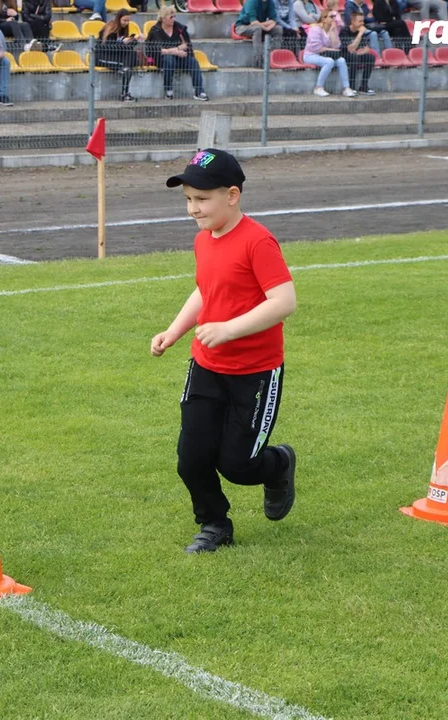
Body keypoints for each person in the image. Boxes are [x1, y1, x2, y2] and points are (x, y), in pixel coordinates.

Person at [152, 148, 298, 554]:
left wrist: (230, 329)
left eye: (201, 199)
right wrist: (176, 330)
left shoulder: (258, 241)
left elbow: (284, 301)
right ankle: (214, 523)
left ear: (232, 195)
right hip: (206, 366)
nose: (192, 210)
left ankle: (279, 463)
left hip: (255, 372)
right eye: (187, 200)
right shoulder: (204, 241)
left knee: (237, 465)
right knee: (191, 457)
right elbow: (206, 290)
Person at [145, 5, 208, 101]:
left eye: (174, 16)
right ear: (163, 18)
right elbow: (155, 50)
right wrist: (176, 50)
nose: (173, 19)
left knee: (193, 62)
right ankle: (168, 90)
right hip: (162, 60)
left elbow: (186, 45)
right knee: (169, 59)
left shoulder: (179, 28)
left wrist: (173, 50)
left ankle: (199, 91)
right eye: (171, 17)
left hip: (179, 58)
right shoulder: (155, 30)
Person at [303, 11, 357, 96]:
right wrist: (331, 49)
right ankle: (318, 88)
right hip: (310, 55)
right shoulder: (315, 29)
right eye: (331, 16)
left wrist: (332, 31)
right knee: (329, 61)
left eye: (334, 16)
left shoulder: (332, 29)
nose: (333, 19)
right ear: (324, 19)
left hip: (324, 55)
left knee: (342, 60)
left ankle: (346, 88)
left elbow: (336, 45)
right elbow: (316, 48)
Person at [97, 9, 141, 101]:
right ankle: (125, 94)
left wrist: (135, 41)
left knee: (132, 55)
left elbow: (125, 48)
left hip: (115, 56)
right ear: (119, 19)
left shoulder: (123, 29)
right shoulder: (110, 28)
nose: (126, 23)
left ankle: (125, 93)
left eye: (128, 21)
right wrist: (121, 42)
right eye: (124, 20)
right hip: (102, 56)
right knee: (127, 67)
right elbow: (108, 47)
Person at [234, 0, 283, 68]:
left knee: (278, 29)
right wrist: (265, 28)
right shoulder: (251, 2)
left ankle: (272, 58)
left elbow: (273, 21)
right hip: (242, 27)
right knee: (257, 29)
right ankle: (259, 60)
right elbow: (253, 22)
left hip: (259, 26)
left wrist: (264, 27)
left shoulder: (270, 2)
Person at [340, 11, 376, 95]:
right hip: (344, 55)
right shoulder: (344, 31)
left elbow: (366, 48)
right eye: (360, 21)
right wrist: (360, 34)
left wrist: (359, 50)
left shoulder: (361, 31)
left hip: (356, 54)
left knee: (370, 57)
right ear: (352, 21)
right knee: (354, 57)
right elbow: (350, 49)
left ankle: (364, 86)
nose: (362, 23)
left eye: (363, 21)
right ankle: (351, 86)